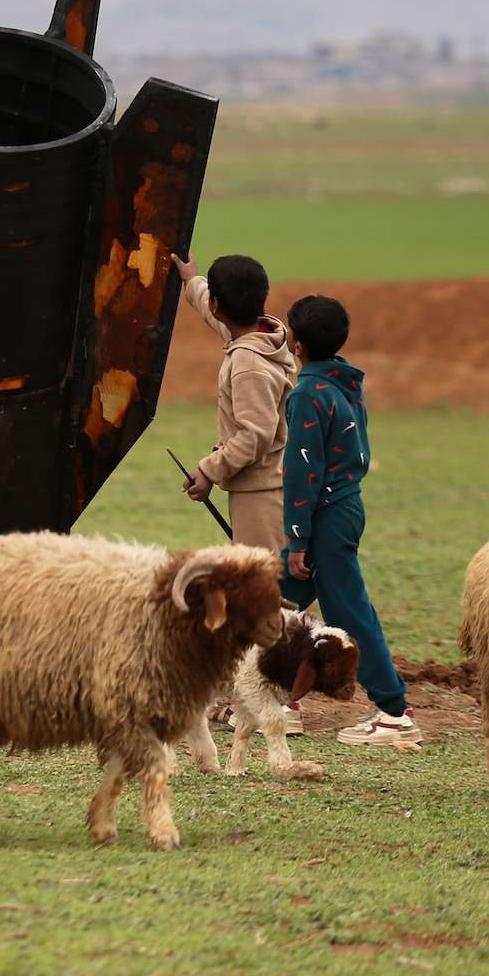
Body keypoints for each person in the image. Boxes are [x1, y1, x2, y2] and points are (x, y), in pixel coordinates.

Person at [277, 294, 416, 747]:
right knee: (280, 602)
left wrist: (298, 537)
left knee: (348, 612)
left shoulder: (306, 395)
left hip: (325, 515)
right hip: (345, 505)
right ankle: (279, 702)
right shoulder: (343, 383)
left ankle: (393, 711)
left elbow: (302, 470)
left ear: (296, 345)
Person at [174, 252, 300, 733]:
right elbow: (218, 313)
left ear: (225, 306)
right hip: (270, 485)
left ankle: (280, 705)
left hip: (259, 489)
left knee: (263, 600)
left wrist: (208, 469)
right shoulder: (265, 335)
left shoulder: (247, 365)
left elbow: (255, 434)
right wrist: (192, 282)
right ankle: (265, 696)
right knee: (266, 592)